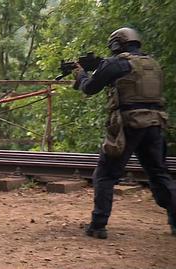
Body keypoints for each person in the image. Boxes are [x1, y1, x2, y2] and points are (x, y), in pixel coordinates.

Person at [73, 27, 176, 239]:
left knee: (105, 174)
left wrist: (81, 75)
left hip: (128, 125)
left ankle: (98, 225)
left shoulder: (117, 63)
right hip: (155, 124)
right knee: (159, 173)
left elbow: (90, 88)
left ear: (117, 44)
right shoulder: (153, 65)